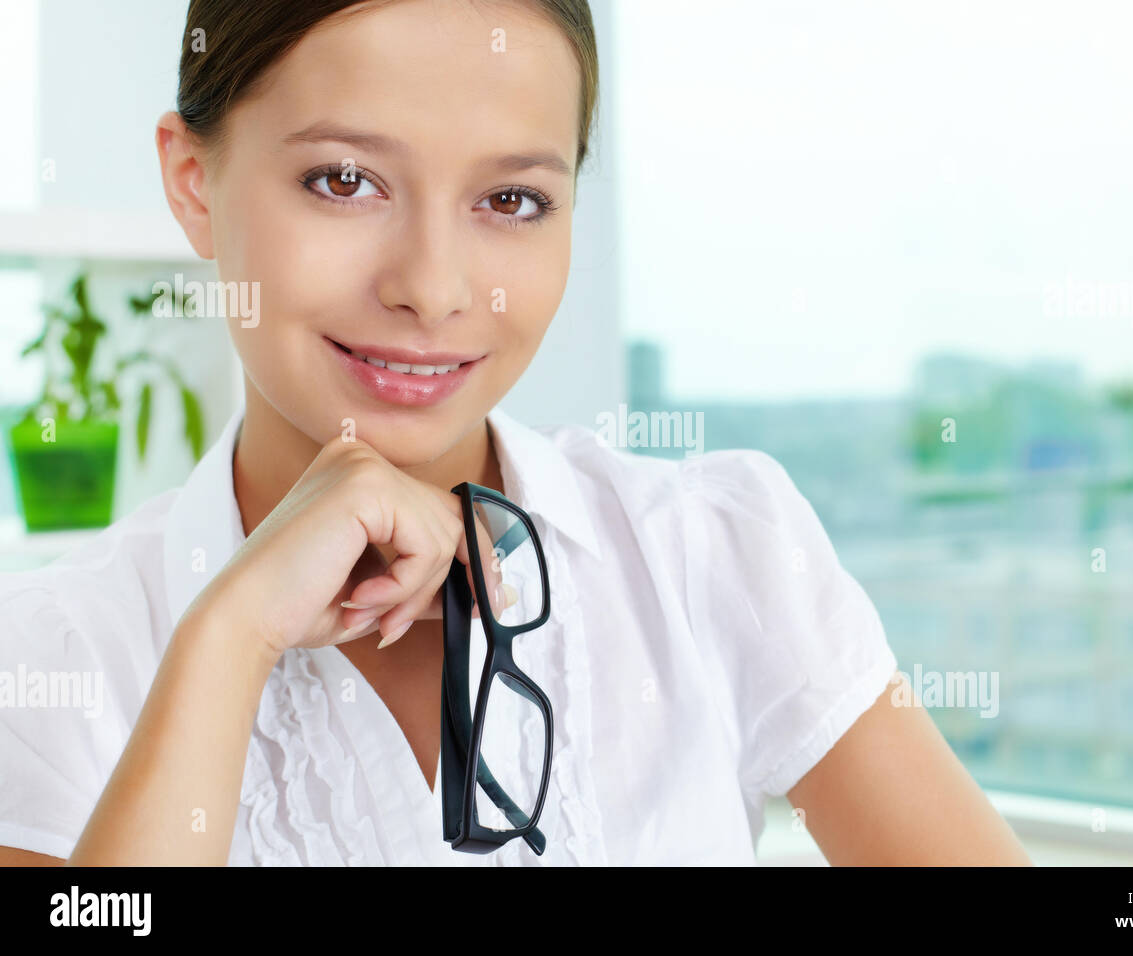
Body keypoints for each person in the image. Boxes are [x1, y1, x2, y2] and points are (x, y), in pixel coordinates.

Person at [0, 0, 1031, 866]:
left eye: (511, 198)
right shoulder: (53, 655)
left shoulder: (710, 553)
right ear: (194, 181)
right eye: (344, 180)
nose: (433, 287)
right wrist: (228, 636)